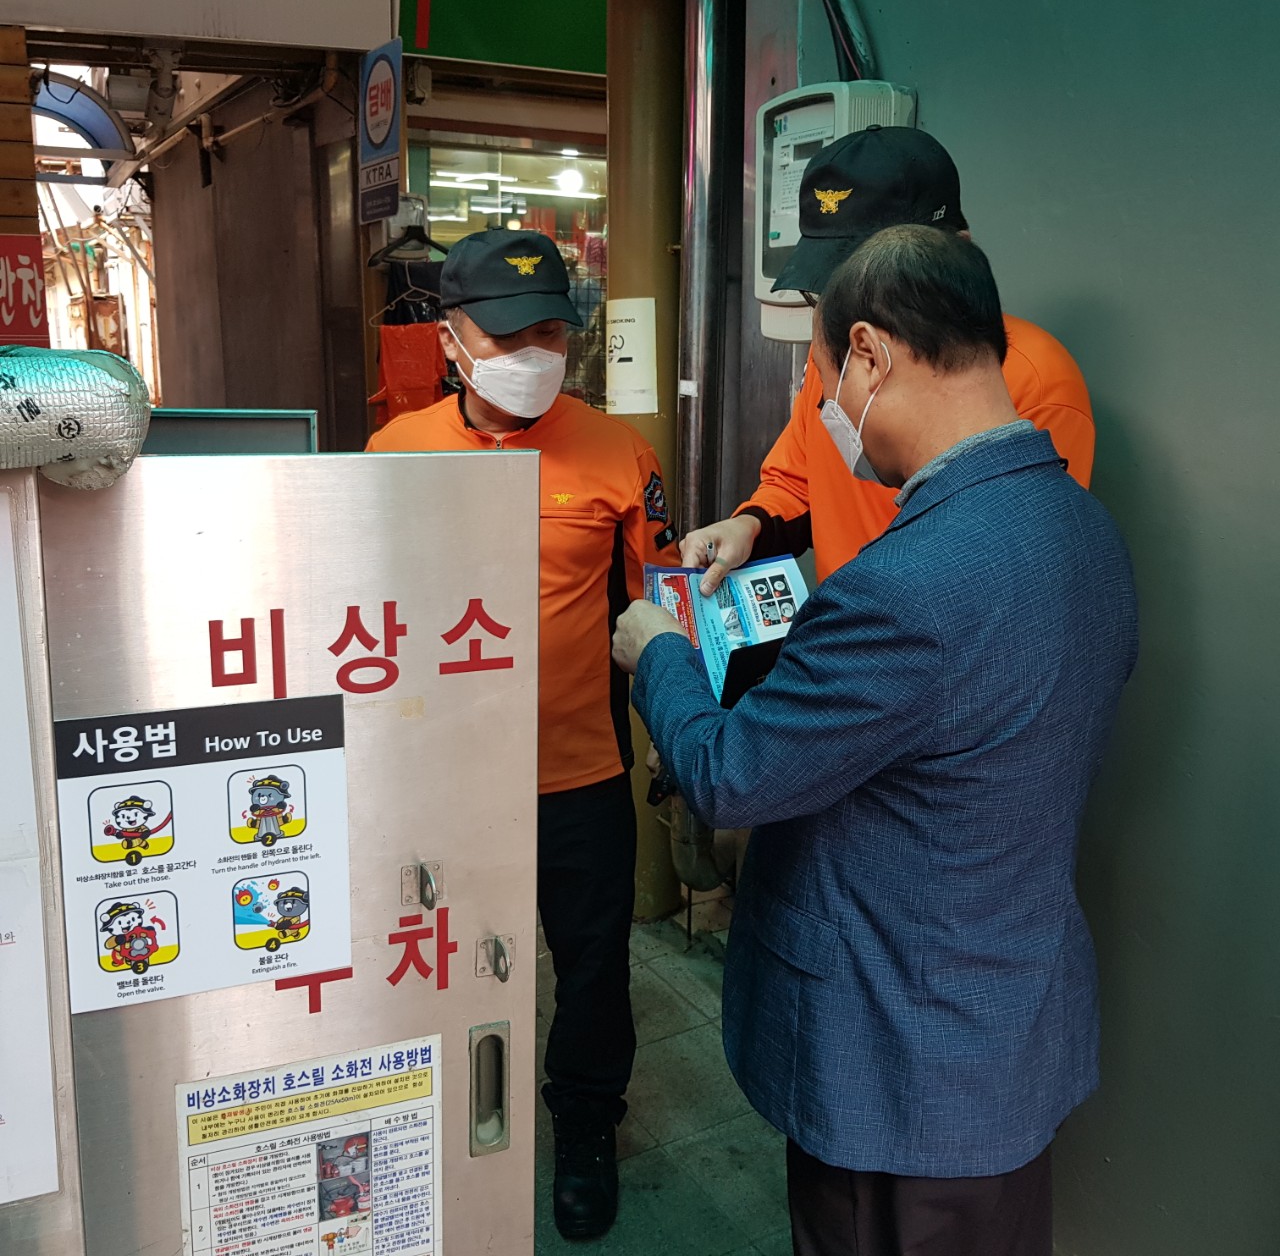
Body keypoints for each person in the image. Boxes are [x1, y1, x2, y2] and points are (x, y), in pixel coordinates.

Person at [612, 226, 1138, 1256]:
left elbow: (729, 774)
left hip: (893, 1063)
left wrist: (660, 653)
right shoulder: (1084, 531)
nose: (824, 418)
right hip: (1008, 1033)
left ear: (868, 354)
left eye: (821, 387)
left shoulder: (901, 587)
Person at [367, 228, 680, 1240]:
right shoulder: (395, 454)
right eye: (507, 335)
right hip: (439, 779)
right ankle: (433, 1121)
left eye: (550, 330)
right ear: (450, 341)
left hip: (578, 771)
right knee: (435, 955)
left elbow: (662, 606)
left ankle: (585, 1121)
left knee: (591, 962)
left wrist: (682, 728)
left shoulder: (619, 451)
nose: (532, 352)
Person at [684, 125, 1096, 594]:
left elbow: (1022, 569)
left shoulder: (1037, 381)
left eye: (875, 274)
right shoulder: (836, 354)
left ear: (954, 251)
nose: (851, 312)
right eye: (831, 286)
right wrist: (750, 526)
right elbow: (796, 483)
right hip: (848, 624)